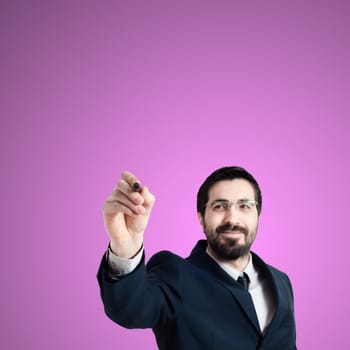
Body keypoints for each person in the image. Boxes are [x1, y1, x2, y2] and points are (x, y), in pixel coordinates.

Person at [97, 166, 297, 349]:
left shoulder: (281, 281)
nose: (233, 219)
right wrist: (126, 246)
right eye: (219, 206)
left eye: (244, 206)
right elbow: (129, 311)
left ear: (258, 215)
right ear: (201, 218)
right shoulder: (175, 273)